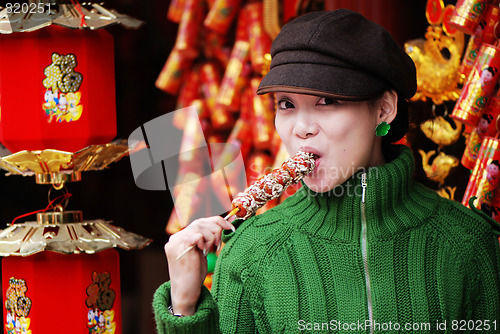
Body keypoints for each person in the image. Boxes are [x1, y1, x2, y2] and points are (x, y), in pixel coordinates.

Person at [153, 9, 500, 333]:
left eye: (326, 101)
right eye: (286, 104)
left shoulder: (466, 242)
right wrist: (184, 308)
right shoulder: (251, 251)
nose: (301, 128)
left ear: (384, 108)